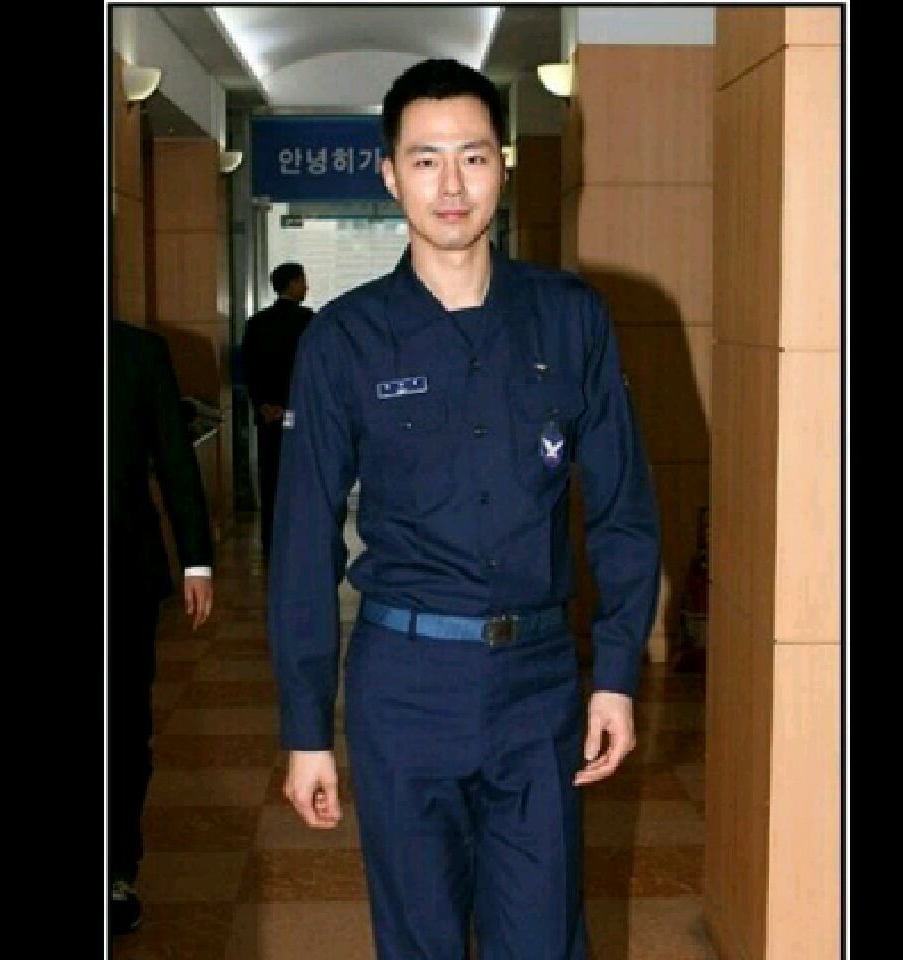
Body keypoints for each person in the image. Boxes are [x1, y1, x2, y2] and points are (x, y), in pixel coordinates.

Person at [269, 58, 661, 959]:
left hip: (538, 683)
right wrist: (306, 728)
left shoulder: (572, 318)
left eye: (473, 158)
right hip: (402, 685)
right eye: (425, 159)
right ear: (389, 174)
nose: (451, 186)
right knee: (420, 940)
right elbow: (302, 544)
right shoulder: (343, 340)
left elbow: (623, 509)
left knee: (545, 937)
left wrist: (614, 674)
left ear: (503, 166)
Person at [108, 319, 214, 935]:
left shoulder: (137, 353)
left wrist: (196, 561)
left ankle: (117, 869)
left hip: (121, 576)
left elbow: (174, 458)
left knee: (123, 727)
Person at [240, 263, 313, 560]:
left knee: (271, 478)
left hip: (268, 415)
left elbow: (248, 368)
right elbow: (311, 370)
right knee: (302, 479)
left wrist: (263, 404)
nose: (306, 287)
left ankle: (271, 542)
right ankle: (300, 540)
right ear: (293, 283)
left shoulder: (257, 323)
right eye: (303, 281)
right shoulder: (308, 321)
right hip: (300, 413)